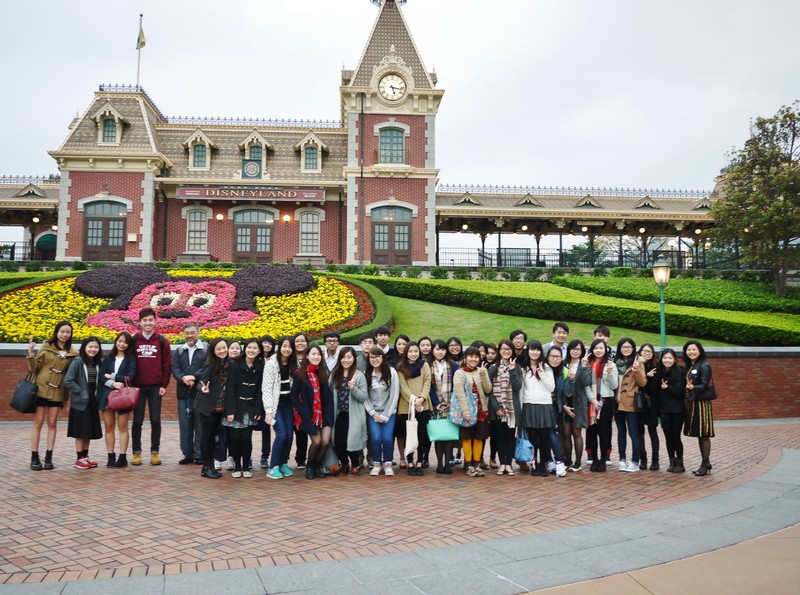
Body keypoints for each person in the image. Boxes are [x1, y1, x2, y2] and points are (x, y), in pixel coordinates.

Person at [27, 321, 78, 471]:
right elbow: (34, 368)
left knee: (52, 423)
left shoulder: (73, 353)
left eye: (67, 332)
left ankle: (49, 457)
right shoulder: (46, 347)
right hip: (41, 389)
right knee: (38, 423)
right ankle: (34, 457)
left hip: (57, 392)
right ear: (57, 332)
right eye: (62, 331)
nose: (64, 334)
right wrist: (30, 353)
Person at [131, 307, 172, 466]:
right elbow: (129, 362)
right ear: (140, 322)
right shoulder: (134, 340)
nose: (148, 323)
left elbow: (166, 364)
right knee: (137, 421)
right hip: (138, 387)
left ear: (155, 321)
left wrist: (164, 384)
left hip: (156, 387)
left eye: (150, 320)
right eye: (144, 320)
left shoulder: (162, 341)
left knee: (155, 420)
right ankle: (136, 453)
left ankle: (155, 452)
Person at [291, 344, 334, 480]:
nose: (316, 357)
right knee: (316, 441)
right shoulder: (300, 374)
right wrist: (302, 411)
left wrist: (330, 413)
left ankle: (318, 466)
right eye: (313, 354)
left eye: (318, 354)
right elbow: (294, 396)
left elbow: (327, 396)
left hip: (324, 414)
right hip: (309, 415)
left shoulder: (322, 373)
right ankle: (310, 467)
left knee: (325, 442)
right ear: (307, 356)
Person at [223, 338, 264, 478]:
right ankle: (237, 467)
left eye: (255, 348)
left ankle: (246, 466)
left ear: (259, 351)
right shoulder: (235, 365)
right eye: (249, 347)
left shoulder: (260, 366)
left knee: (247, 438)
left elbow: (260, 390)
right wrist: (230, 411)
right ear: (244, 349)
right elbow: (230, 389)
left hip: (251, 407)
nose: (251, 350)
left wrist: (259, 409)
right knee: (235, 438)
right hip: (235, 408)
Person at [98, 331, 137, 468]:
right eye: (119, 341)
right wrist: (113, 383)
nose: (122, 344)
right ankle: (110, 456)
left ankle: (122, 457)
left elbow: (130, 377)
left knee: (122, 427)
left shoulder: (131, 359)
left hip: (123, 397)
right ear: (116, 342)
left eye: (125, 342)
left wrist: (113, 376)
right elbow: (101, 376)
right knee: (109, 427)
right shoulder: (108, 358)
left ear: (129, 344)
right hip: (107, 396)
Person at [453, 346, 493, 478]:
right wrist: (465, 411)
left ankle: (476, 464)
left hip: (481, 410)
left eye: (476, 357)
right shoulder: (459, 373)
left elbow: (488, 390)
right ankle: (468, 464)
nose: (473, 359)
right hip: (468, 412)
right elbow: (459, 394)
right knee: (467, 437)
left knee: (479, 437)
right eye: (471, 356)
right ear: (465, 357)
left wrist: (484, 374)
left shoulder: (481, 371)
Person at [64, 336, 104, 469]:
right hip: (80, 402)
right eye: (90, 347)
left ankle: (85, 457)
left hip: (92, 400)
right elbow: (68, 380)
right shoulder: (77, 361)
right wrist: (80, 391)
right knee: (81, 431)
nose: (93, 349)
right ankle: (79, 458)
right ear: (84, 347)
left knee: (88, 431)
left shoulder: (97, 362)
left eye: (96, 347)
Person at [520, 340, 557, 477]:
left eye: (537, 350)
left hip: (544, 405)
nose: (535, 352)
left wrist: (541, 373)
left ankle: (543, 464)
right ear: (528, 351)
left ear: (541, 352)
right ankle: (534, 463)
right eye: (532, 349)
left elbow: (551, 388)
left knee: (544, 437)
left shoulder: (546, 367)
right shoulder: (523, 368)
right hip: (529, 404)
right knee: (533, 437)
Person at [329, 346, 368, 475]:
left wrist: (353, 388)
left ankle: (355, 463)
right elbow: (329, 393)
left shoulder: (359, 375)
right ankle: (344, 463)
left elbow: (363, 397)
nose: (346, 360)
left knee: (351, 441)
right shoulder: (335, 374)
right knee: (337, 442)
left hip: (354, 414)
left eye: (349, 357)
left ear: (354, 359)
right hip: (339, 414)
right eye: (344, 357)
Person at [171, 323, 206, 465]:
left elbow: (207, 367)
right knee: (185, 425)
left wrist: (194, 377)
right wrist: (183, 378)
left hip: (200, 393)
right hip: (183, 393)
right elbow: (175, 368)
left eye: (192, 332)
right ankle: (187, 453)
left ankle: (199, 454)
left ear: (198, 332)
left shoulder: (205, 350)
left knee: (199, 424)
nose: (189, 335)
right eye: (187, 333)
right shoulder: (180, 350)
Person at [396, 341, 432, 475]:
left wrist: (421, 398)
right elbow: (402, 386)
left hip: (423, 406)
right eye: (410, 351)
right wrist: (414, 400)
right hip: (407, 407)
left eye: (416, 351)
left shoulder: (425, 365)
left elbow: (428, 382)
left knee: (422, 436)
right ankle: (410, 462)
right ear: (406, 353)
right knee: (409, 435)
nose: (413, 354)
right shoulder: (400, 367)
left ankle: (419, 463)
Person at [263, 337, 297, 480]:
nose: (287, 349)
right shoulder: (271, 363)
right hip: (276, 406)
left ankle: (283, 463)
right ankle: (273, 466)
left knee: (289, 435)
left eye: (290, 346)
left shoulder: (293, 363)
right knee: (282, 434)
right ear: (280, 347)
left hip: (288, 405)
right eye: (284, 346)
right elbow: (267, 388)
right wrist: (269, 411)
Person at [488, 340, 522, 476]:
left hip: (512, 409)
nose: (506, 351)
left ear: (512, 351)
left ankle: (509, 464)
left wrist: (513, 370)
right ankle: (502, 464)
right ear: (499, 351)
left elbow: (518, 386)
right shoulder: (492, 368)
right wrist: (496, 407)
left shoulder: (517, 367)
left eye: (509, 349)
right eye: (503, 349)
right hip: (498, 409)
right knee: (500, 437)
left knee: (510, 437)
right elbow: (489, 390)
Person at [585, 338, 619, 472]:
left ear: (605, 349)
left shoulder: (611, 365)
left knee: (604, 431)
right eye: (596, 348)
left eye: (601, 348)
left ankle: (604, 459)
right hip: (591, 402)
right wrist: (591, 399)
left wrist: (609, 373)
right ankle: (594, 459)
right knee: (591, 431)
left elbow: (614, 385)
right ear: (592, 350)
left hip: (606, 401)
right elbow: (585, 384)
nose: (598, 350)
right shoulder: (587, 364)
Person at [364, 347, 399, 476]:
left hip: (389, 412)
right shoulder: (366, 373)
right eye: (372, 357)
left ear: (383, 357)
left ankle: (388, 464)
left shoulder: (391, 372)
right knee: (376, 439)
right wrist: (373, 413)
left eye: (377, 356)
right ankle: (377, 464)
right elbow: (365, 396)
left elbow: (394, 394)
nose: (375, 359)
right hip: (373, 413)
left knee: (388, 439)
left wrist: (386, 415)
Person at [613, 338, 647, 473]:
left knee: (634, 433)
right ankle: (622, 459)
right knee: (621, 433)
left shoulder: (638, 363)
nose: (626, 349)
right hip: (617, 402)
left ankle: (635, 461)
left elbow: (643, 383)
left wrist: (637, 370)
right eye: (623, 347)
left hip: (631, 402)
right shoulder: (615, 363)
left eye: (629, 347)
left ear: (633, 349)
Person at [197, 338, 228, 479]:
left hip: (221, 407)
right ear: (213, 351)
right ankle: (206, 466)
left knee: (213, 437)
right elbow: (201, 381)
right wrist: (203, 388)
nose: (222, 351)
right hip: (208, 407)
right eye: (219, 349)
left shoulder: (227, 364)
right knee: (207, 437)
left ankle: (208, 466)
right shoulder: (210, 365)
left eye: (224, 348)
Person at [683, 340, 716, 476]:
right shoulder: (692, 365)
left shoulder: (704, 365)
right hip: (693, 403)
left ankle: (705, 464)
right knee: (699, 434)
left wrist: (693, 387)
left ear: (700, 351)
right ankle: (706, 462)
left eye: (694, 349)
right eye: (689, 350)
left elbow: (704, 384)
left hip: (702, 404)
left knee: (704, 434)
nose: (691, 352)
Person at [558, 339, 590, 471]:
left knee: (577, 432)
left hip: (578, 402)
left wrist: (582, 367)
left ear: (582, 351)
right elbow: (558, 386)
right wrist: (563, 405)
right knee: (566, 433)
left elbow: (586, 382)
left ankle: (577, 463)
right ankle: (568, 461)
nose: (575, 351)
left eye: (578, 349)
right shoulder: (563, 365)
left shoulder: (584, 364)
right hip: (566, 403)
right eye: (573, 348)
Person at [429, 339, 458, 474]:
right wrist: (437, 404)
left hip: (451, 404)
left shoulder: (453, 365)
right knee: (439, 434)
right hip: (435, 405)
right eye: (437, 349)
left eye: (442, 349)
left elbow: (456, 384)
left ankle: (447, 464)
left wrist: (450, 402)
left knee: (449, 435)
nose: (440, 352)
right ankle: (439, 464)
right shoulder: (428, 365)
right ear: (432, 351)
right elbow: (429, 387)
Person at [657, 348, 686, 473]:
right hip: (663, 410)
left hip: (677, 411)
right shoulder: (659, 372)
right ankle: (671, 461)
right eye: (664, 358)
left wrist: (667, 387)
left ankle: (680, 462)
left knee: (675, 437)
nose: (667, 360)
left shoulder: (679, 372)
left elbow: (679, 392)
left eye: (670, 358)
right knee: (668, 437)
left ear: (674, 359)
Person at [637, 343, 661, 470]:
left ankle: (655, 460)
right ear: (640, 352)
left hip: (652, 405)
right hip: (639, 403)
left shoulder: (656, 367)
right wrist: (645, 376)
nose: (646, 353)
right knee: (640, 432)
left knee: (653, 431)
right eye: (644, 351)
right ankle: (643, 459)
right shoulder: (636, 365)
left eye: (649, 352)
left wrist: (649, 377)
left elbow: (652, 388)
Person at [545, 347, 568, 477]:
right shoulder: (542, 368)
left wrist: (570, 379)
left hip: (554, 406)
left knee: (551, 431)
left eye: (558, 356)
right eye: (552, 356)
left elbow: (567, 392)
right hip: (541, 404)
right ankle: (549, 461)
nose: (555, 359)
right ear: (547, 357)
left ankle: (559, 461)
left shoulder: (563, 371)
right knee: (543, 433)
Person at [255, 335, 276, 469]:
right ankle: (247, 457)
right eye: (264, 343)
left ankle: (265, 456)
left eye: (270, 343)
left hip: (268, 399)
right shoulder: (256, 359)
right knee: (249, 428)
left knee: (266, 429)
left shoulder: (275, 359)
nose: (267, 345)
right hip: (255, 398)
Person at [292, 332, 310, 469]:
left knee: (302, 431)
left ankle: (301, 459)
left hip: (305, 399)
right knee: (288, 431)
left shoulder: (310, 358)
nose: (299, 343)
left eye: (302, 341)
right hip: (289, 399)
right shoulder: (289, 358)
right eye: (297, 341)